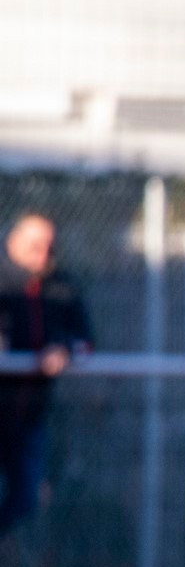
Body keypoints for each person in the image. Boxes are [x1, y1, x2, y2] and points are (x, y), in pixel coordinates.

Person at [0, 213, 92, 538]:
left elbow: (85, 339)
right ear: (13, 243)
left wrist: (63, 349)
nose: (43, 255)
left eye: (49, 247)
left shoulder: (61, 287)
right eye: (34, 246)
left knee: (25, 498)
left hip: (30, 415)